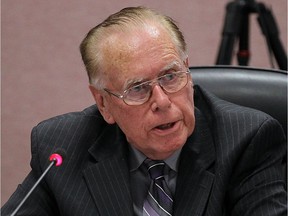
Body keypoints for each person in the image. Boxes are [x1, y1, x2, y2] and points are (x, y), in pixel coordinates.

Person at [1, 6, 287, 216]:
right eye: (137, 88)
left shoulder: (246, 140)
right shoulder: (62, 149)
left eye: (171, 76)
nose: (162, 101)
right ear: (103, 103)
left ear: (187, 70)